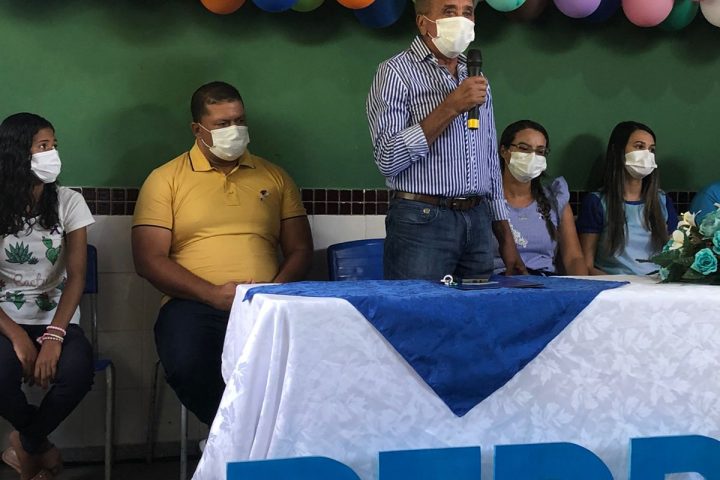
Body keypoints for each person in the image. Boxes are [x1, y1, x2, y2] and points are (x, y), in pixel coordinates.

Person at [132, 81, 313, 427]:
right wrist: (212, 295)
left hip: (269, 304)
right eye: (222, 124)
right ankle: (232, 437)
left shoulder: (275, 177)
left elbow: (300, 249)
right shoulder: (165, 179)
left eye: (239, 121)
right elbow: (148, 260)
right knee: (187, 363)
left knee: (303, 369)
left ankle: (250, 443)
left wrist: (272, 291)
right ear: (197, 129)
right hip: (193, 305)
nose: (235, 130)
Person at [366, 0, 525, 280]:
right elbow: (387, 158)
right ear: (423, 23)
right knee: (421, 306)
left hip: (478, 220)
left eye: (467, 12)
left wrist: (505, 237)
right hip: (422, 220)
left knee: (477, 307)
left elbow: (489, 160)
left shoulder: (474, 76)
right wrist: (450, 107)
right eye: (449, 11)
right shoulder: (395, 73)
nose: (460, 19)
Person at [0, 113, 95, 480]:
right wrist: (18, 337)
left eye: (54, 145)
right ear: (16, 153)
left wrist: (54, 336)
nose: (52, 154)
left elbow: (77, 276)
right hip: (6, 319)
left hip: (57, 316)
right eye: (42, 146)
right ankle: (40, 448)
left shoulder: (69, 201)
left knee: (78, 373)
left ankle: (25, 443)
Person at [577, 121, 678, 275]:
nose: (646, 154)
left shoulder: (662, 201)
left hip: (657, 284)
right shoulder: (597, 202)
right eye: (639, 147)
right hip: (615, 285)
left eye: (651, 150)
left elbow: (675, 256)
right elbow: (587, 266)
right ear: (618, 151)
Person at [493, 120, 587, 276]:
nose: (532, 157)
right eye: (524, 149)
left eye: (540, 151)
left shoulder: (555, 199)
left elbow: (574, 258)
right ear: (504, 151)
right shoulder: (486, 200)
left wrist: (582, 286)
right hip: (497, 282)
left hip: (544, 282)